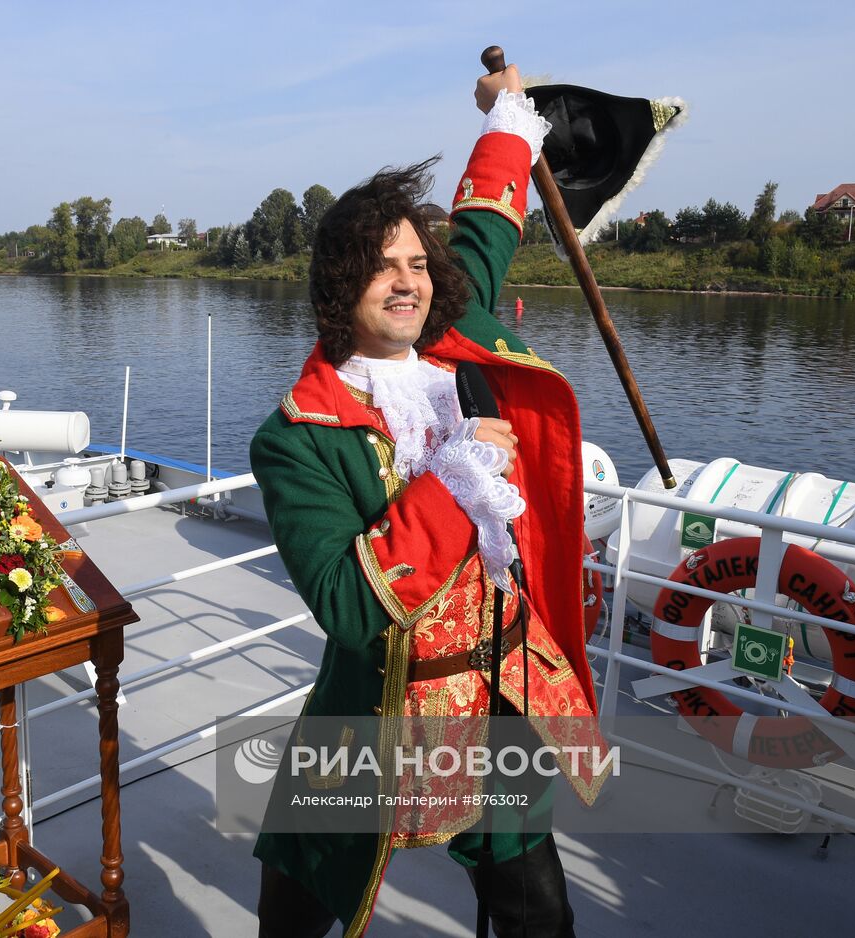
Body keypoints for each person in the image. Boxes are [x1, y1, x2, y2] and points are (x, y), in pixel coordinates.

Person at [250, 64, 606, 938]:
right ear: (341, 285)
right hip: (373, 705)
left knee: (537, 910)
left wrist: (509, 121)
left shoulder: (457, 339)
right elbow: (346, 604)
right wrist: (454, 482)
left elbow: (484, 225)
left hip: (500, 685)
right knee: (298, 900)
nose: (407, 281)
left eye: (417, 263)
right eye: (381, 268)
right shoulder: (297, 435)